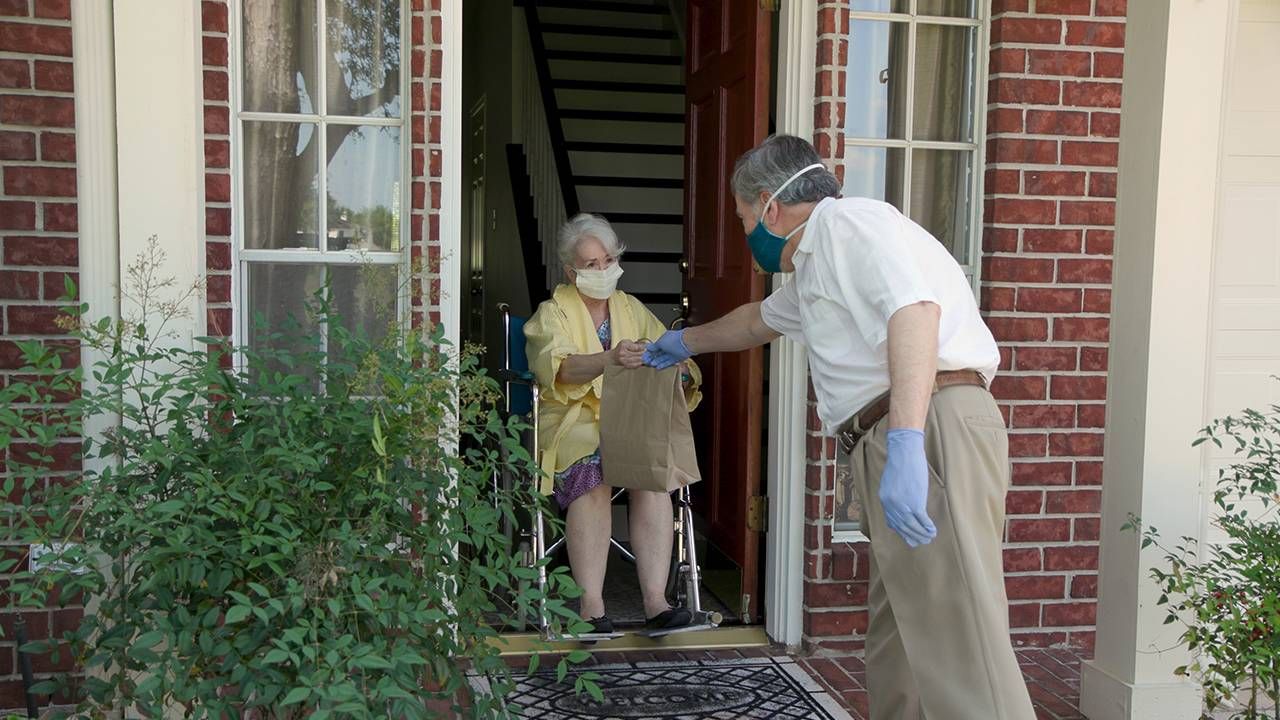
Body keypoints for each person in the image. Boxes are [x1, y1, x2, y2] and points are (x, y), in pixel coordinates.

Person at [644, 135, 1035, 720]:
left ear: (768, 206)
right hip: (902, 430)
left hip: (929, 426)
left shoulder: (850, 224)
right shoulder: (817, 263)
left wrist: (905, 441)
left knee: (959, 631)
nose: (746, 229)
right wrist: (681, 342)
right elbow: (757, 322)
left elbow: (914, 311)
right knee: (901, 626)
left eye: (742, 216)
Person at [524, 213, 700, 636]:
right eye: (590, 265)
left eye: (607, 261)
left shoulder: (630, 308)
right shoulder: (553, 313)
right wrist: (610, 358)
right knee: (593, 471)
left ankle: (656, 603)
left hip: (627, 418)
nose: (602, 271)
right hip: (573, 420)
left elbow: (670, 351)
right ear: (571, 271)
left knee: (652, 470)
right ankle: (591, 607)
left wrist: (685, 371)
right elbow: (559, 370)